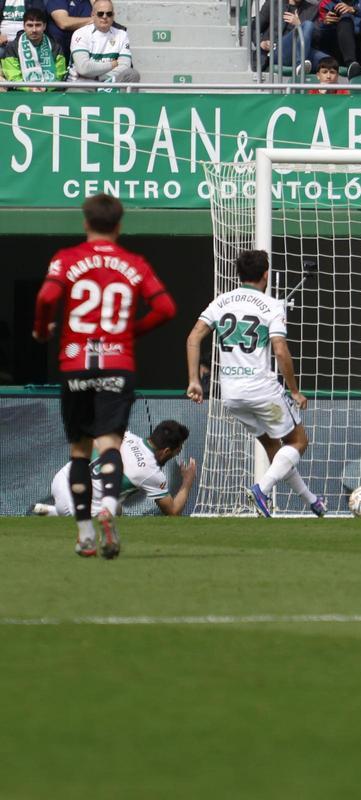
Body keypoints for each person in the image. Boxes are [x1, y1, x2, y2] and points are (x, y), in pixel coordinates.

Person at [32, 194, 176, 559]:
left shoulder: (66, 259)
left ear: (85, 223)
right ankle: (109, 506)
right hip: (117, 364)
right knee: (110, 444)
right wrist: (131, 333)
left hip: (76, 363)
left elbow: (47, 296)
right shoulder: (134, 263)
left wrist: (41, 331)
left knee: (81, 452)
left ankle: (84, 534)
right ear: (119, 225)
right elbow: (165, 308)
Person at [185, 250, 325, 518]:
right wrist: (294, 390)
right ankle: (261, 490)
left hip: (232, 396)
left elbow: (193, 338)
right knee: (297, 442)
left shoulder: (221, 301)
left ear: (239, 274)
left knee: (275, 448)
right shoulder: (270, 305)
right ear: (266, 274)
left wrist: (194, 380)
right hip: (262, 391)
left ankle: (312, 501)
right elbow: (281, 351)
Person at [34, 421, 195, 519]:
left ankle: (52, 510)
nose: (177, 453)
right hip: (75, 503)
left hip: (62, 477)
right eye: (177, 451)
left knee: (116, 509)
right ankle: (58, 512)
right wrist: (187, 482)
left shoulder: (126, 435)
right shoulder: (152, 472)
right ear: (166, 451)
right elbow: (173, 512)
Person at [67, 0, 139, 85]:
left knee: (133, 75)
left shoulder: (122, 34)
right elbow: (83, 68)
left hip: (109, 82)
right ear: (93, 15)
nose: (104, 17)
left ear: (113, 16)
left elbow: (125, 66)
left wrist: (100, 78)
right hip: (82, 84)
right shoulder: (80, 33)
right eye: (100, 14)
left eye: (109, 14)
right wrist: (112, 64)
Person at [1, 8, 67, 89]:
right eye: (30, 25)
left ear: (44, 26)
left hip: (50, 94)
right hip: (21, 94)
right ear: (24, 26)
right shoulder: (13, 47)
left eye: (38, 25)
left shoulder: (55, 47)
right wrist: (29, 89)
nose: (34, 30)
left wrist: (47, 88)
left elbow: (59, 74)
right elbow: (12, 75)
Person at [314, 0, 361, 73]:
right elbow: (319, 35)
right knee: (345, 21)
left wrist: (355, 10)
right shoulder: (326, 2)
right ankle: (351, 65)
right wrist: (325, 24)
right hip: (341, 51)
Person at [256, 0, 321, 73]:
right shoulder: (273, 3)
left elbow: (316, 36)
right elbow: (254, 28)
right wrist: (261, 42)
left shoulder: (312, 9)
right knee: (308, 24)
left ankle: (300, 64)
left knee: (328, 61)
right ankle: (300, 64)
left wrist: (299, 24)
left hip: (301, 50)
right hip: (276, 51)